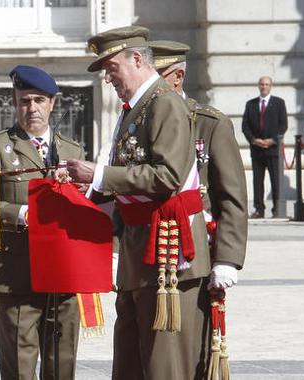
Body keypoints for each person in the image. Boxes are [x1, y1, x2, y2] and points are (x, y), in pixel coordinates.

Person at [62, 26, 211, 379]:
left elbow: (168, 176)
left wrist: (99, 175)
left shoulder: (163, 103)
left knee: (162, 364)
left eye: (111, 67)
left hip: (166, 252)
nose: (108, 78)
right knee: (131, 360)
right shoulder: (137, 108)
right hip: (140, 252)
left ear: (138, 59)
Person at [0, 65, 85, 379]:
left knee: (62, 367)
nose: (31, 108)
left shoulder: (73, 151)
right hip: (18, 275)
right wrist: (22, 214)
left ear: (52, 103)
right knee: (20, 370)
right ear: (14, 102)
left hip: (63, 279)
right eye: (24, 101)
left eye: (38, 100)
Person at [150, 39, 248, 373]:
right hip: (152, 252)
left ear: (177, 78)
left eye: (156, 76)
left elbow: (231, 195)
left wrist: (228, 258)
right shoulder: (141, 121)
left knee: (195, 352)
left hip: (198, 253)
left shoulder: (209, 123)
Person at [241, 76, 288, 218]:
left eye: (267, 84)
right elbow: (245, 126)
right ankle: (258, 209)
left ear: (271, 86)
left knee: (275, 181)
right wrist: (254, 140)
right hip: (257, 149)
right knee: (257, 181)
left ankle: (277, 209)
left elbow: (283, 125)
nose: (264, 87)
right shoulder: (251, 104)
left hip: (273, 150)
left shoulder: (279, 103)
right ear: (258, 86)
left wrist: (272, 140)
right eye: (262, 84)